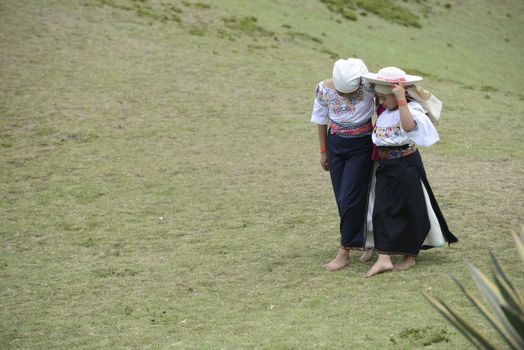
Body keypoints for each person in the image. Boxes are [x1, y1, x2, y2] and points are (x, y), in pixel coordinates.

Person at [362, 67, 458, 277]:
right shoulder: (386, 112)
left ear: (398, 94)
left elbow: (408, 127)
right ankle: (384, 257)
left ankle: (409, 256)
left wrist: (401, 100)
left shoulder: (410, 109)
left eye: (384, 98)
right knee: (381, 209)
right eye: (379, 98)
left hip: (406, 165)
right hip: (386, 167)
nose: (380, 103)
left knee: (410, 210)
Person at [311, 58, 375, 271]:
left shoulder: (370, 87)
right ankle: (363, 239)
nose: (346, 96)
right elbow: (321, 119)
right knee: (342, 197)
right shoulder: (323, 89)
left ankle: (345, 251)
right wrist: (323, 151)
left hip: (362, 146)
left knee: (351, 196)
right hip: (336, 146)